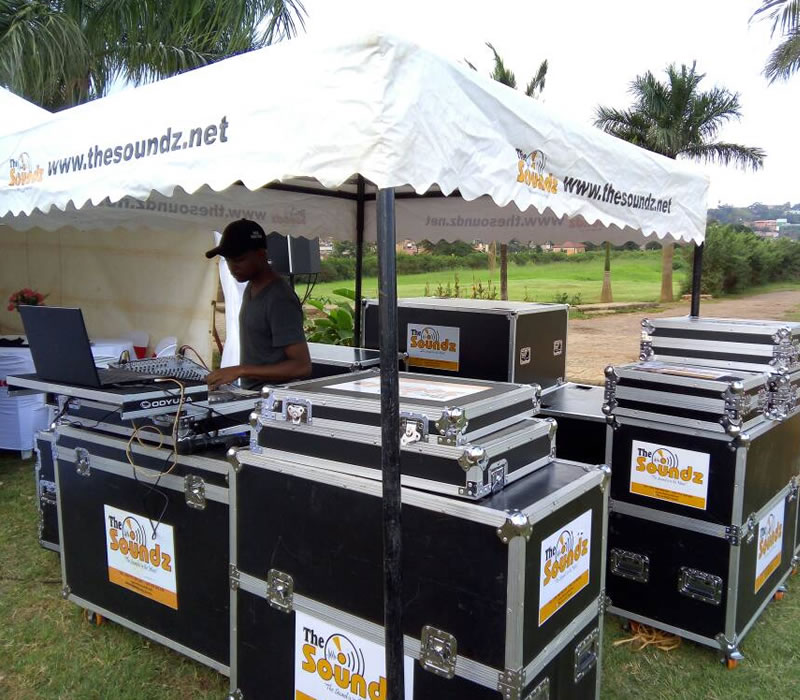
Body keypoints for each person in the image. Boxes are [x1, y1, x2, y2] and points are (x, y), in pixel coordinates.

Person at [204, 219, 311, 391]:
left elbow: (301, 366)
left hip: (274, 399)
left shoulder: (279, 299)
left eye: (239, 259)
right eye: (228, 260)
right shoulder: (251, 286)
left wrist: (241, 370)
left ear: (261, 254)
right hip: (253, 395)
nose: (232, 267)